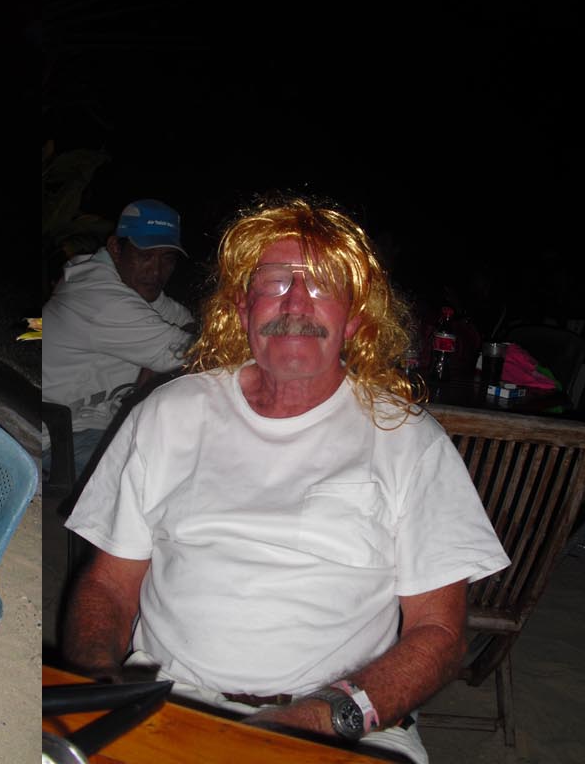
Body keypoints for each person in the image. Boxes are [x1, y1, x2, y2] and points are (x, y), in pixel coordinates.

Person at [62, 197, 511, 764]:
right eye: (274, 282)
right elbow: (108, 585)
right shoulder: (170, 413)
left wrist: (321, 718)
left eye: (322, 285)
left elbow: (440, 634)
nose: (296, 302)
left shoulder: (408, 439)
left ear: (354, 318)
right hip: (167, 703)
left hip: (341, 719)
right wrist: (100, 688)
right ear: (242, 308)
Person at [40, 198, 198, 477]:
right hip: (56, 438)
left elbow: (189, 325)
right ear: (116, 248)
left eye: (167, 259)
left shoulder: (136, 289)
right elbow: (192, 350)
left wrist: (158, 360)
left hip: (99, 426)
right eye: (145, 255)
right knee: (166, 477)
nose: (156, 271)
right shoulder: (99, 297)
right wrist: (162, 357)